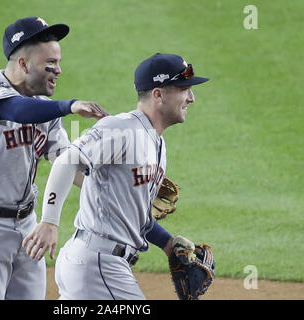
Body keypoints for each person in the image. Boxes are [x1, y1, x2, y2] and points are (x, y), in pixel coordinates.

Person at [22, 53, 209, 299]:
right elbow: (67, 160)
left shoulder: (157, 144)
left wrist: (168, 244)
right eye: (184, 89)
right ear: (158, 94)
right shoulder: (122, 129)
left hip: (99, 264)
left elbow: (133, 214)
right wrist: (49, 221)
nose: (191, 98)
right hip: (97, 264)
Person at [0, 16, 108, 300]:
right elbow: (16, 111)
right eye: (50, 64)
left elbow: (66, 161)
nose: (58, 71)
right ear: (23, 64)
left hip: (28, 227)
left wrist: (112, 189)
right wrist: (69, 106)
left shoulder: (43, 108)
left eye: (58, 63)